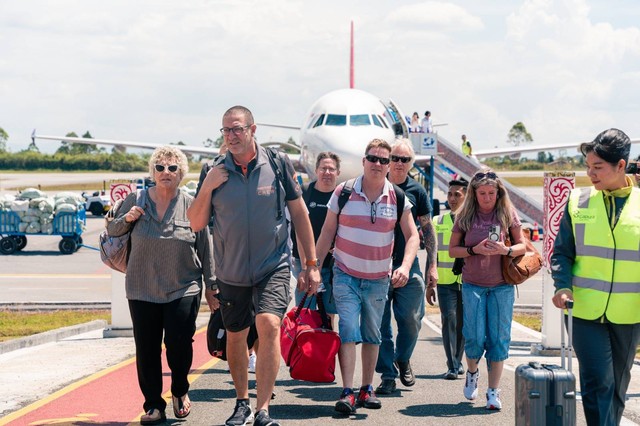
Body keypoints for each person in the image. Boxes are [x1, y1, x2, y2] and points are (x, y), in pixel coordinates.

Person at [188, 105, 320, 426]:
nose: (231, 136)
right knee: (236, 335)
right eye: (226, 131)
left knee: (269, 325)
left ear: (252, 129)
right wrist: (207, 186)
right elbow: (195, 223)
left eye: (237, 129)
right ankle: (242, 403)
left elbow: (300, 214)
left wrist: (310, 263)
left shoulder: (276, 163)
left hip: (272, 265)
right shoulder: (213, 170)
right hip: (231, 271)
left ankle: (263, 409)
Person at [106, 146, 215, 425]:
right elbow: (113, 231)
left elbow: (206, 247)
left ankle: (179, 389)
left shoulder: (192, 204)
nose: (166, 173)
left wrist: (212, 286)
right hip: (142, 287)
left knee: (179, 344)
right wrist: (127, 218)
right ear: (152, 171)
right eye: (160, 167)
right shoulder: (136, 198)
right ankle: (154, 404)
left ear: (181, 173)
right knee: (147, 348)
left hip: (183, 286)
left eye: (172, 168)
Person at [315, 139, 420, 414]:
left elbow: (413, 236)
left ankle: (366, 387)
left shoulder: (397, 197)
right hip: (346, 274)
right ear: (363, 161)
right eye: (373, 158)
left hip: (377, 278)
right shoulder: (344, 192)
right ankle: (347, 391)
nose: (378, 164)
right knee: (349, 329)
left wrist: (406, 267)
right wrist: (313, 267)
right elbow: (327, 233)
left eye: (384, 160)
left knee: (373, 334)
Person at [551, 128, 640, 426]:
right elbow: (562, 251)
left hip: (629, 313)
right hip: (583, 309)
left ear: (621, 166)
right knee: (597, 380)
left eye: (598, 167)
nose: (590, 173)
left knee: (617, 384)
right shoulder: (578, 201)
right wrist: (562, 286)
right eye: (588, 166)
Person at [448, 168, 525, 411]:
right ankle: (472, 372)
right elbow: (453, 250)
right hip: (473, 285)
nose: (487, 198)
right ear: (474, 193)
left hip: (502, 286)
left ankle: (493, 391)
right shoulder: (466, 215)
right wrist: (474, 250)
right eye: (482, 193)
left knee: (499, 339)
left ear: (499, 193)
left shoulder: (506, 213)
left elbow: (523, 246)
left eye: (492, 193)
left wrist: (505, 250)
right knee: (473, 336)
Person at [375, 138, 437, 395]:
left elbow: (427, 230)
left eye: (405, 160)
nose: (399, 164)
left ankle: (403, 358)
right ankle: (388, 374)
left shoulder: (417, 191)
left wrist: (431, 266)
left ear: (411, 163)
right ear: (388, 160)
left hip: (408, 267)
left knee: (412, 320)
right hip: (377, 267)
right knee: (379, 325)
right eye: (395, 158)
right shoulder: (375, 186)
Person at [291, 152, 341, 318]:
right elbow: (299, 232)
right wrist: (306, 268)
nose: (327, 172)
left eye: (331, 169)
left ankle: (327, 344)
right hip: (305, 261)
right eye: (323, 168)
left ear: (338, 173)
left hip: (332, 265)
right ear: (316, 171)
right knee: (306, 314)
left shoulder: (343, 196)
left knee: (328, 316)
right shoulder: (305, 193)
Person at [430, 178, 468, 380]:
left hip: (467, 281)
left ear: (466, 196)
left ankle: (458, 359)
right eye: (450, 194)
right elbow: (432, 254)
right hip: (445, 281)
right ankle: (452, 365)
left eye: (457, 195)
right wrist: (430, 281)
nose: (452, 199)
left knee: (463, 323)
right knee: (449, 320)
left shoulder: (473, 221)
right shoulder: (438, 221)